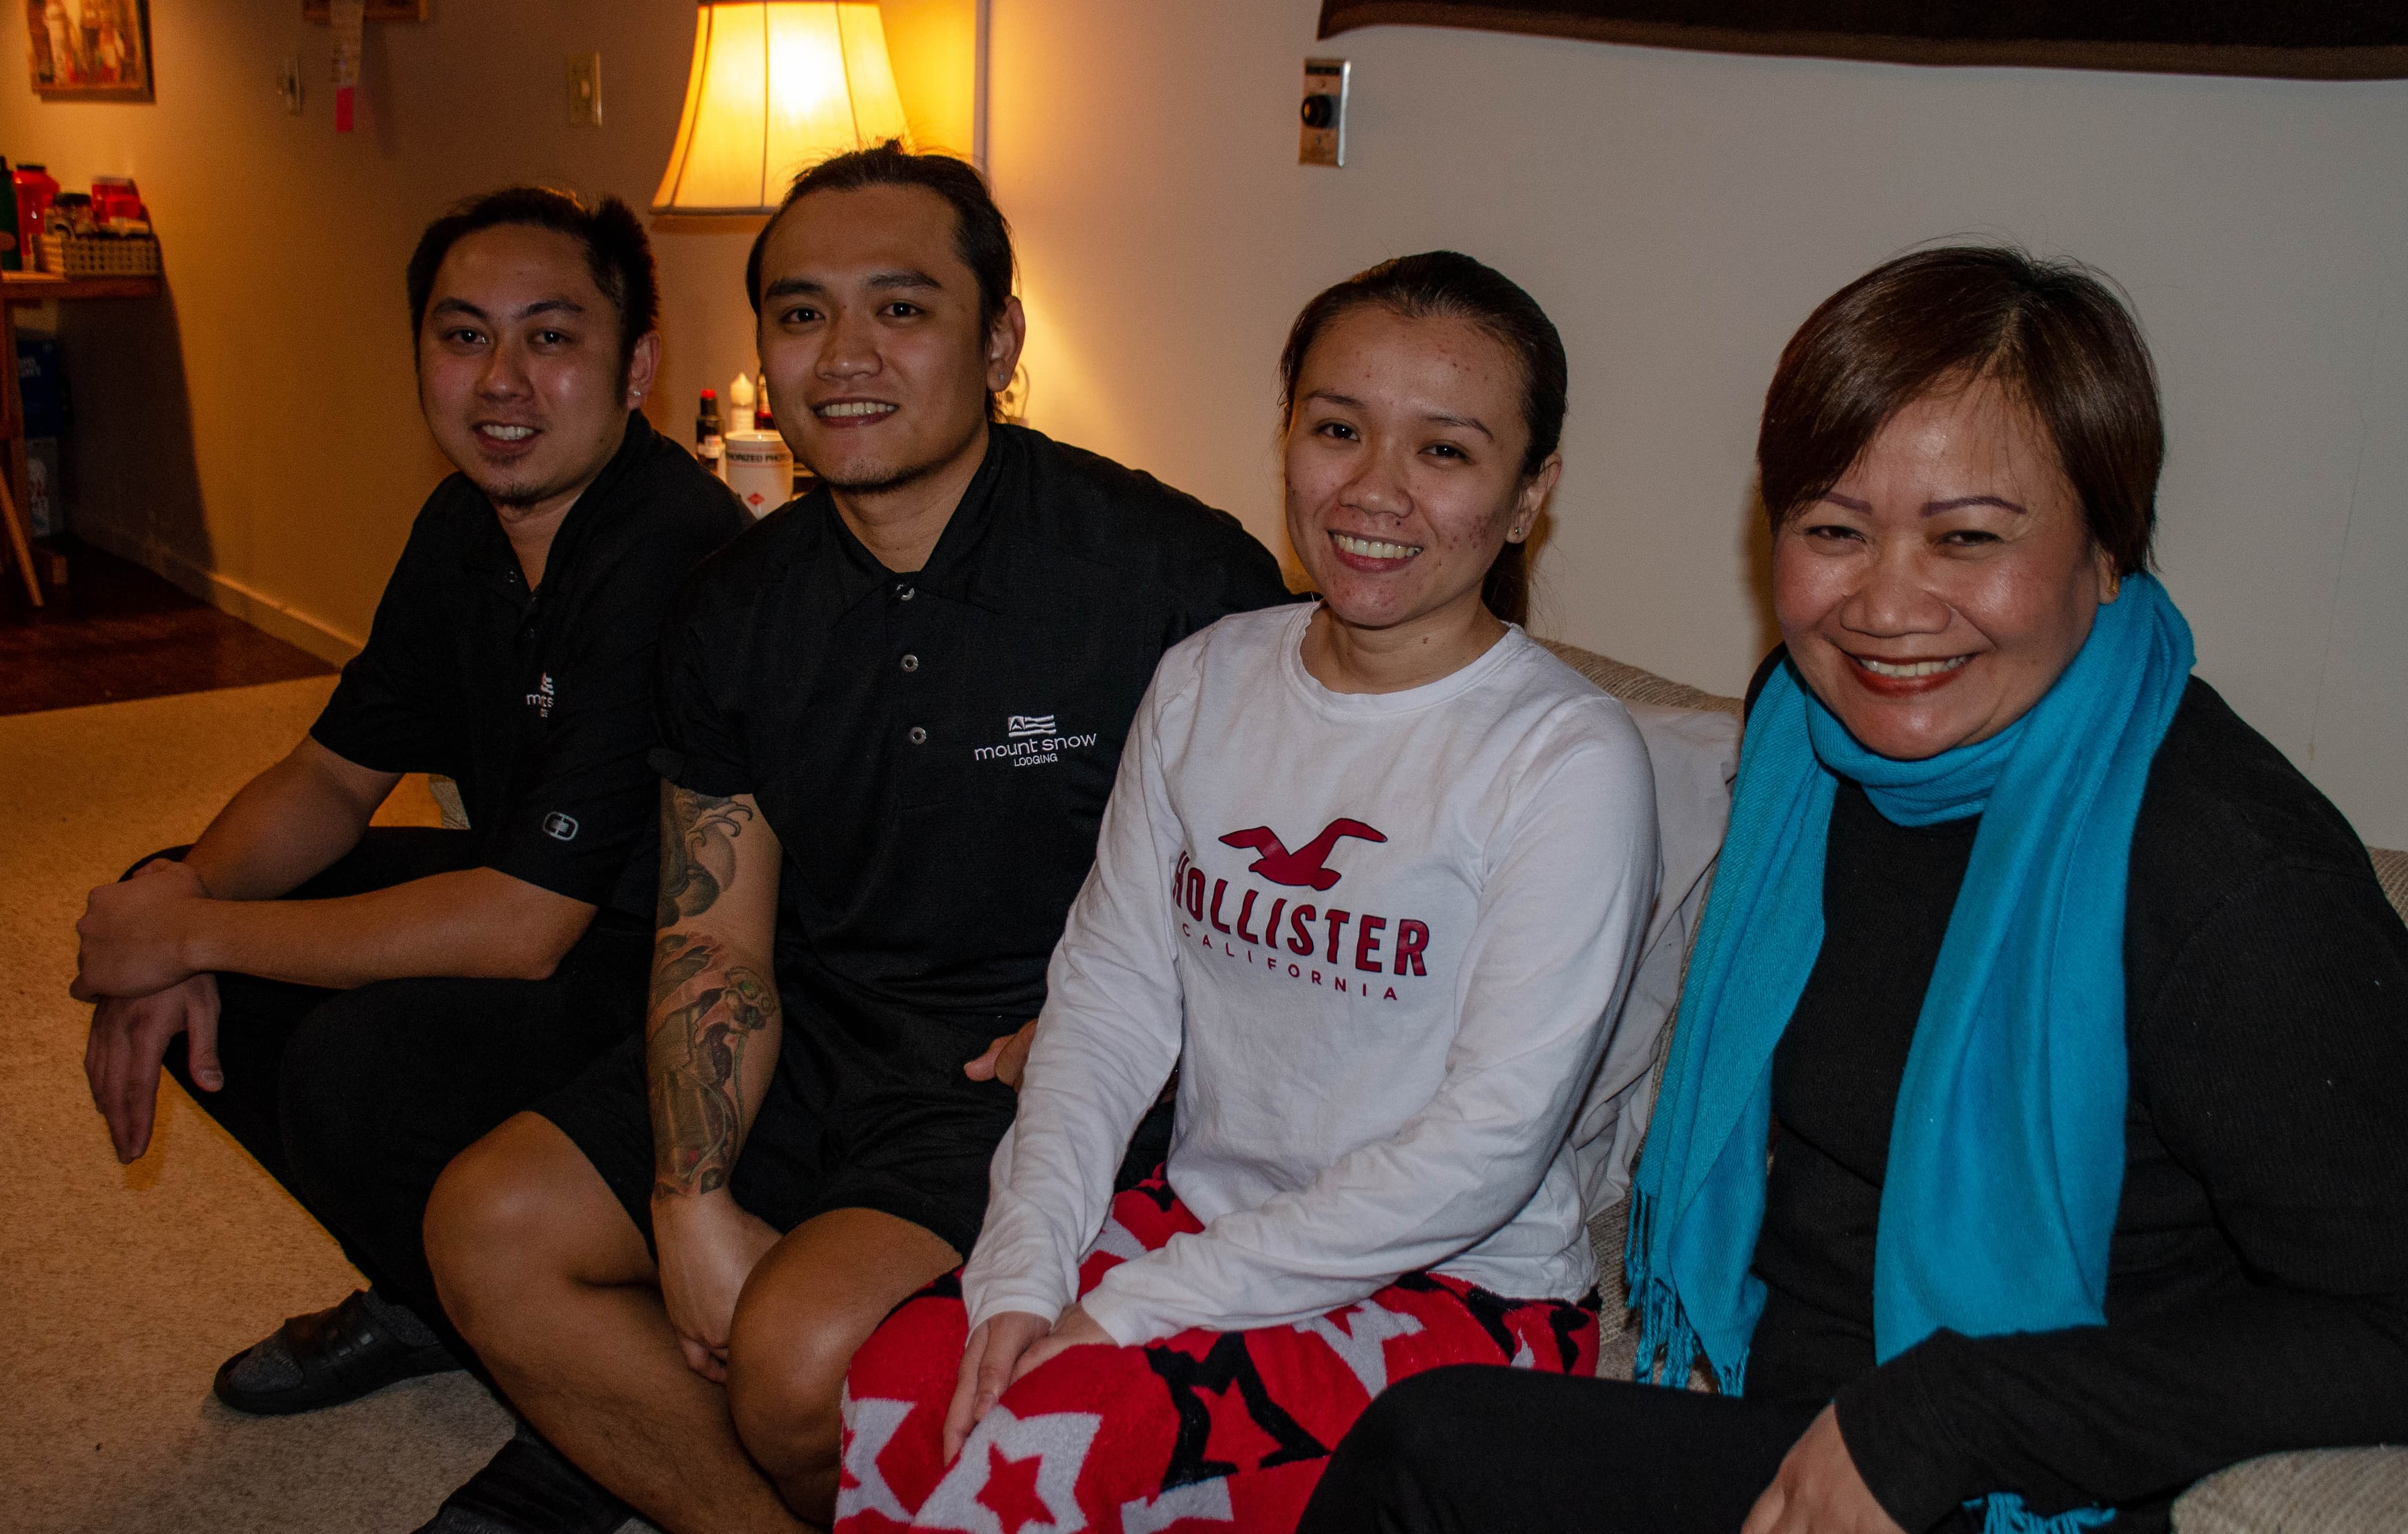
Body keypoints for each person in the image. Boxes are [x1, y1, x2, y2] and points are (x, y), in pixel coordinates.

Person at [1299, 247, 2408, 1534]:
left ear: (2108, 552)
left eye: (1969, 537)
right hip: (1787, 1435)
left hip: (2020, 1490)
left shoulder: (2230, 873)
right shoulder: (1802, 737)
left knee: (1431, 1446)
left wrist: (1961, 1410)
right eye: (1833, 528)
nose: (1887, 606)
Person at [420, 143, 1294, 1534]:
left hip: (1026, 1065)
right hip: (820, 1030)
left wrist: (1152, 1023)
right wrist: (689, 1192)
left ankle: (658, 1446)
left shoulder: (1175, 576)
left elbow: (1289, 872)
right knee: (487, 1224)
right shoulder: (733, 604)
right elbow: (715, 928)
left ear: (999, 338)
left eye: (902, 307)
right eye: (802, 311)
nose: (845, 355)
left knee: (798, 1352)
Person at [826, 250, 1666, 1534]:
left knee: (1060, 1436)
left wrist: (1119, 1311)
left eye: (1445, 450)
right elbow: (1106, 1006)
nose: (1374, 488)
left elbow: (1483, 1148)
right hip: (1204, 1219)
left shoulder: (1564, 758)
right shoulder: (1207, 679)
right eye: (1338, 428)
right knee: (903, 1382)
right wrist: (1022, 1272)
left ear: (1527, 493)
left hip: (1459, 1287)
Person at [69, 186, 746, 1419]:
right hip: (546, 918)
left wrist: (189, 935)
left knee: (351, 1061)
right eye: (461, 333)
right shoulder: (464, 525)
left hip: (687, 984)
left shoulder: (672, 551)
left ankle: (585, 1358)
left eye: (550, 336)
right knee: (188, 873)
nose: (500, 379)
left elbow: (522, 925)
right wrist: (181, 902)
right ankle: (431, 1294)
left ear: (636, 362)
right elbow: (333, 775)